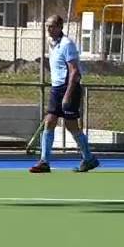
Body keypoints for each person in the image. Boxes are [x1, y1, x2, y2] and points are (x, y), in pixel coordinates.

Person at [30, 15, 99, 173]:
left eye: (52, 26)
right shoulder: (52, 44)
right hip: (56, 88)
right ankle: (44, 161)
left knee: (71, 125)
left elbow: (74, 71)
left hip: (69, 88)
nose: (49, 29)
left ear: (60, 27)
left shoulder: (67, 44)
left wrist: (68, 94)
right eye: (47, 26)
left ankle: (89, 158)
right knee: (49, 122)